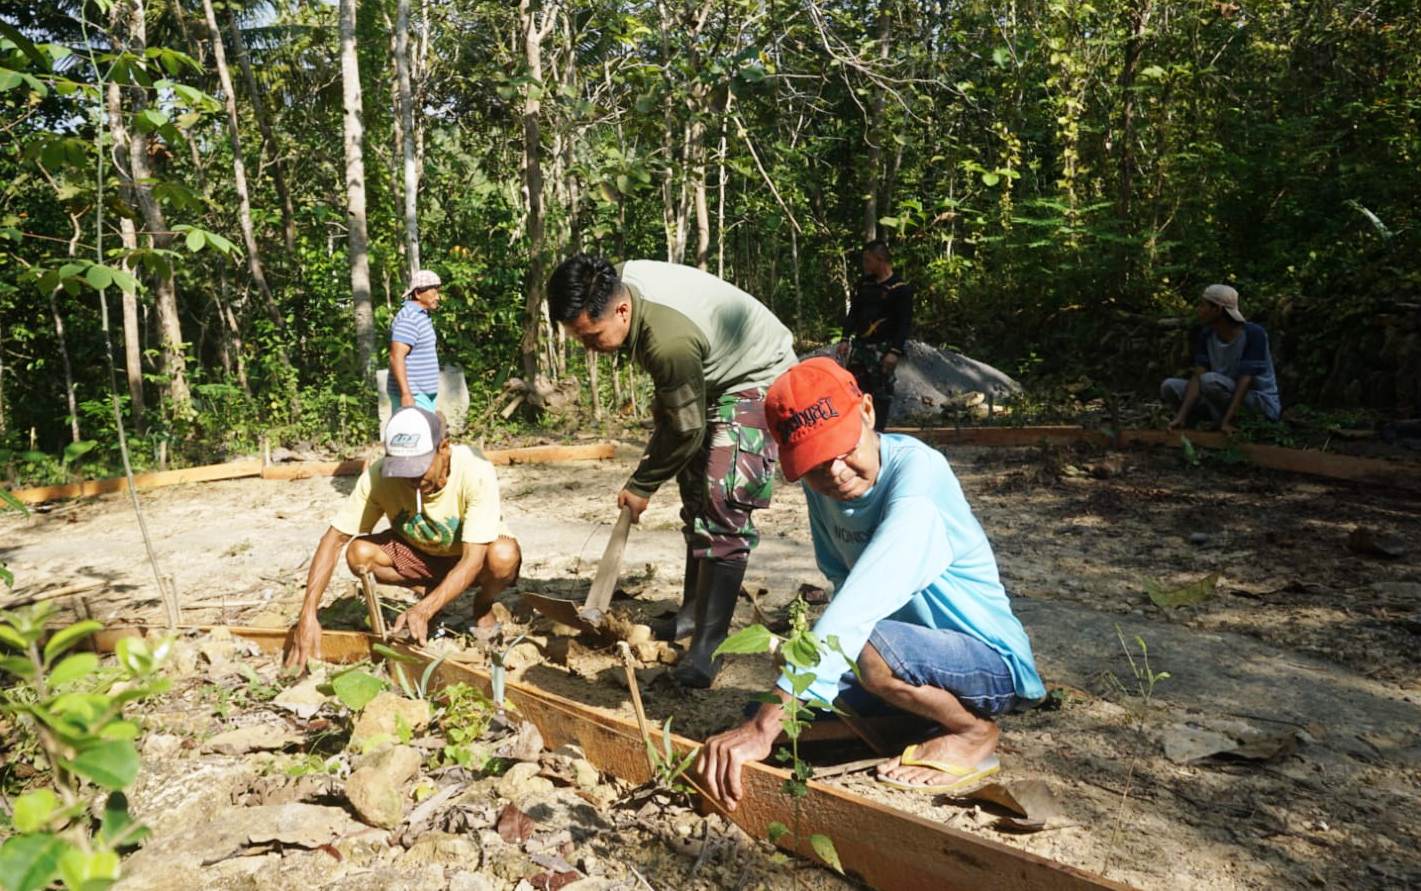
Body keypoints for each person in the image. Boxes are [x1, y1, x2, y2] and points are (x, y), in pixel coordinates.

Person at [697, 358, 1045, 807]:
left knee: (822, 679)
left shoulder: (918, 483)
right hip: (897, 654)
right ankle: (915, 719)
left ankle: (973, 732)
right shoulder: (823, 486)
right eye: (816, 465)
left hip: (984, 664)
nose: (836, 472)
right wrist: (777, 709)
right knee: (786, 711)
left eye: (843, 451)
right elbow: (841, 578)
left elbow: (856, 611)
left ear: (867, 411)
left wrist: (767, 725)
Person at [547, 255, 797, 687]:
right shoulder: (611, 285)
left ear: (621, 311)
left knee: (723, 510)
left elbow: (686, 430)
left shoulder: (668, 341)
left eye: (593, 337)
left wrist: (641, 484)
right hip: (711, 373)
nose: (590, 349)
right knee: (696, 501)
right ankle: (689, 616)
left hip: (757, 376)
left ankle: (708, 649)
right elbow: (681, 417)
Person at [282, 407, 521, 670]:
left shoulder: (475, 470)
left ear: (444, 448)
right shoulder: (379, 477)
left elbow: (473, 560)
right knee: (359, 554)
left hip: (468, 558)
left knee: (503, 556)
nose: (412, 479)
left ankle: (482, 604)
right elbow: (334, 539)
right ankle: (433, 594)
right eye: (403, 470)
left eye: (419, 468)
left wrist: (423, 610)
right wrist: (308, 613)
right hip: (419, 556)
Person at [1162, 284, 1281, 435]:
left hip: (1257, 401)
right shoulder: (1207, 335)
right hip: (1220, 393)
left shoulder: (1254, 334)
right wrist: (1181, 415)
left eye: (1202, 305)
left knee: (1210, 381)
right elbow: (1198, 376)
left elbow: (1246, 381)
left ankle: (1227, 423)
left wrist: (1227, 421)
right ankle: (1189, 423)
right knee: (1170, 386)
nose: (1198, 310)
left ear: (1217, 309)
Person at [836, 240, 912, 432]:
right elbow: (854, 312)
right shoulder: (864, 284)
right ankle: (856, 431)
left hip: (883, 349)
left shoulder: (900, 288)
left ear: (880, 260)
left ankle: (877, 433)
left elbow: (904, 323)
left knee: (881, 394)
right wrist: (845, 338)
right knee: (854, 390)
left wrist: (895, 351)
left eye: (868, 260)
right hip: (861, 348)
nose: (865, 265)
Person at [389, 270, 443, 412]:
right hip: (413, 395)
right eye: (434, 293)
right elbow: (396, 357)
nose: (438, 297)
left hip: (423, 394)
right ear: (418, 293)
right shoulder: (410, 318)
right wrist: (406, 394)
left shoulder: (422, 316)